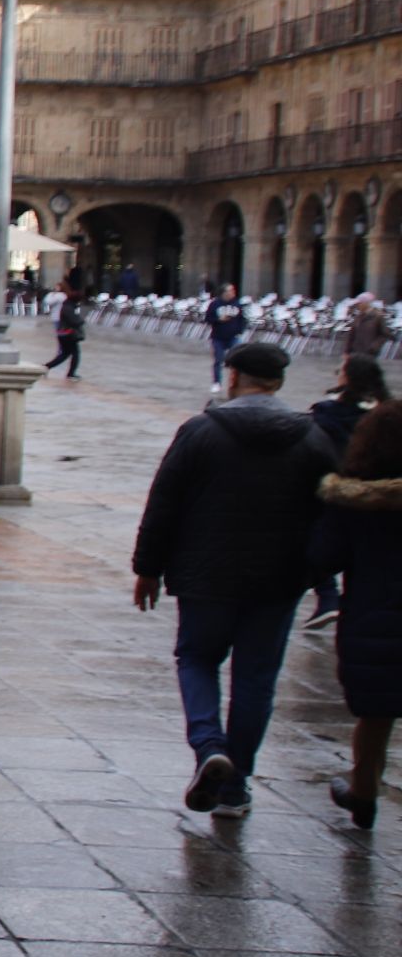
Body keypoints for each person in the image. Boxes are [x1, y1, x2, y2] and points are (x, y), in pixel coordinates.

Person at [133, 341, 340, 818]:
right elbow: (330, 513)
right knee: (256, 680)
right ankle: (235, 785)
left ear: (232, 377)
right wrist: (317, 574)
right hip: (277, 582)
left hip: (205, 575)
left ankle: (210, 748)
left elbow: (163, 503)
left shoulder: (201, 431)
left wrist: (148, 568)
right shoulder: (312, 440)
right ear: (279, 383)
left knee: (197, 659)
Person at [311, 401, 402, 831]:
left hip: (374, 618)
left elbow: (323, 558)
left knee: (377, 715)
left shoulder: (352, 501)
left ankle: (364, 792)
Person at [304, 357, 390, 628]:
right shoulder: (387, 410)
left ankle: (328, 596)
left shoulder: (330, 412)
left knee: (318, 541)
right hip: (380, 491)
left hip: (337, 487)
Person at [205, 283, 248, 392]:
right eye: (230, 291)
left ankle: (235, 383)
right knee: (218, 360)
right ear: (224, 292)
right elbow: (208, 319)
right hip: (218, 337)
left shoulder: (238, 304)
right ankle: (216, 382)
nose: (232, 293)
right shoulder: (214, 304)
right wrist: (218, 320)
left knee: (237, 360)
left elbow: (243, 319)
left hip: (233, 337)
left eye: (233, 291)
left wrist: (240, 330)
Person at [43, 288, 86, 380]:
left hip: (63, 334)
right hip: (68, 334)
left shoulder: (68, 306)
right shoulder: (68, 308)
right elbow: (74, 321)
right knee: (75, 354)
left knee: (65, 354)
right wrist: (81, 320)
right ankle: (71, 373)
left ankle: (46, 367)